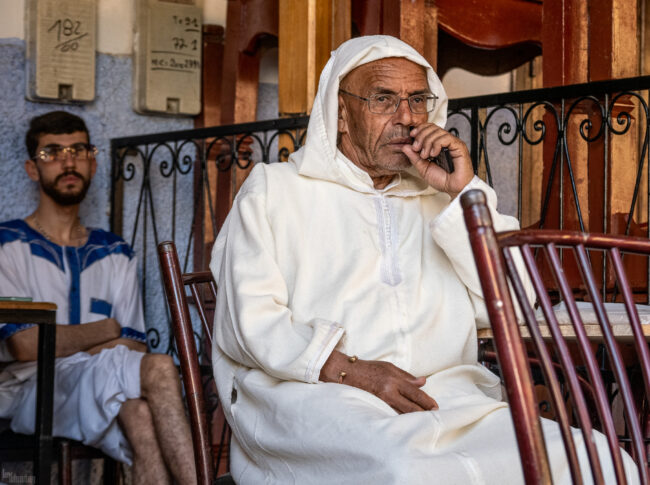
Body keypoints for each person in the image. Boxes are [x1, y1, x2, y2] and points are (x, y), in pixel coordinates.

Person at [210, 36, 638, 484]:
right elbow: (249, 321)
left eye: (417, 100)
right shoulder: (276, 189)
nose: (407, 118)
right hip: (317, 397)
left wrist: (464, 194)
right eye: (384, 100)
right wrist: (351, 371)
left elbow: (514, 300)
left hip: (450, 400)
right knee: (407, 470)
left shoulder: (444, 196)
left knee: (603, 463)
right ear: (339, 113)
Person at [0, 111, 197, 484]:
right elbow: (26, 346)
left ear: (92, 160)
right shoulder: (6, 244)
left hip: (95, 381)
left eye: (78, 149)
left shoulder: (115, 251)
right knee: (159, 369)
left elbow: (133, 347)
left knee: (140, 416)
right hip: (31, 391)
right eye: (52, 153)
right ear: (31, 168)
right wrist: (106, 329)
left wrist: (63, 340)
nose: (68, 161)